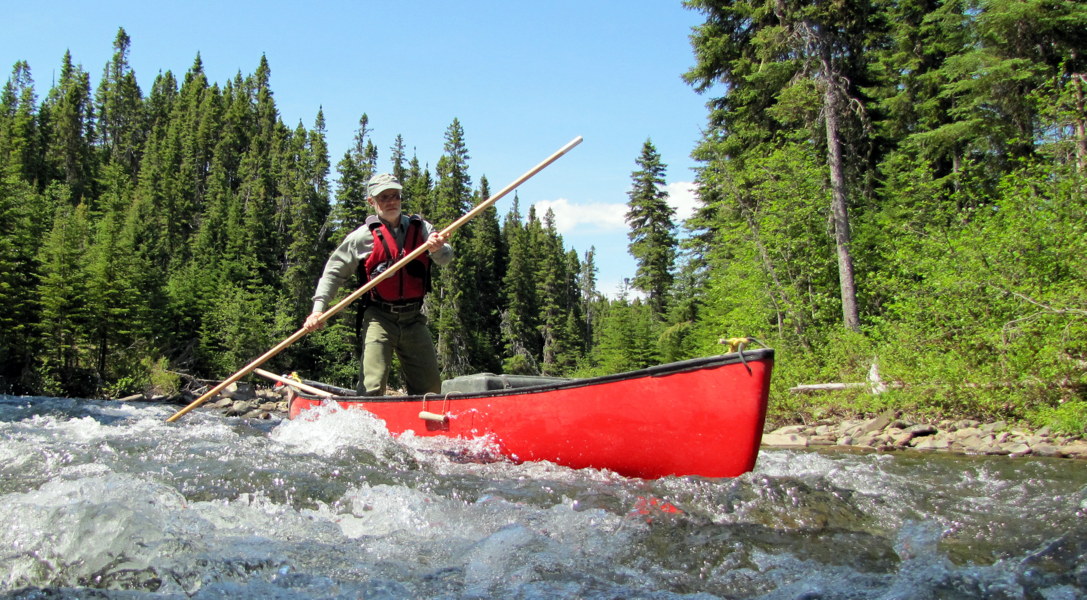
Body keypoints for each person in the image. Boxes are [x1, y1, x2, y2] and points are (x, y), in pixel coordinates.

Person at [303, 173, 453, 396]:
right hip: (379, 317)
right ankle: (366, 414)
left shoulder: (422, 229)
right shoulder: (361, 238)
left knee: (430, 389)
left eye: (395, 196)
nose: (391, 202)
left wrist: (437, 248)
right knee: (371, 387)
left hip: (413, 318)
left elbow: (445, 257)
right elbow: (333, 274)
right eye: (384, 197)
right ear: (371, 201)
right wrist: (318, 310)